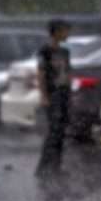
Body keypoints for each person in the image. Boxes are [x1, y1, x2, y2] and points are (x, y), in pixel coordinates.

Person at [34, 19, 73, 177]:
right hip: (53, 93)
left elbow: (68, 73)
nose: (67, 34)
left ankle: (56, 166)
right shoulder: (45, 51)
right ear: (56, 31)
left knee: (62, 130)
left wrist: (70, 93)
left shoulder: (65, 52)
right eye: (65, 30)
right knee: (53, 130)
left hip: (64, 92)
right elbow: (41, 73)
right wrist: (44, 95)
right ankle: (43, 167)